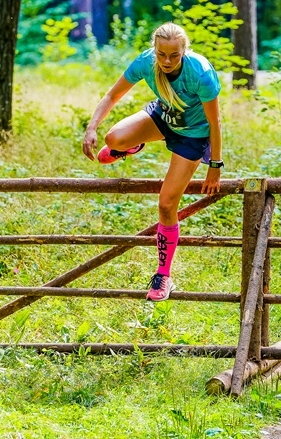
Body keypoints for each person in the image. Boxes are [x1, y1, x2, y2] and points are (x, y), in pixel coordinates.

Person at [82, 22, 223, 301]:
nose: (167, 61)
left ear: (184, 51)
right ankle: (131, 145)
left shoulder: (201, 73)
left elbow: (214, 122)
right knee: (114, 139)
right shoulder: (146, 62)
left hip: (192, 137)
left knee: (166, 204)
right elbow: (113, 94)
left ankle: (163, 275)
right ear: (154, 50)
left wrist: (214, 166)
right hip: (163, 118)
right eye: (161, 54)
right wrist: (91, 128)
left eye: (174, 55)